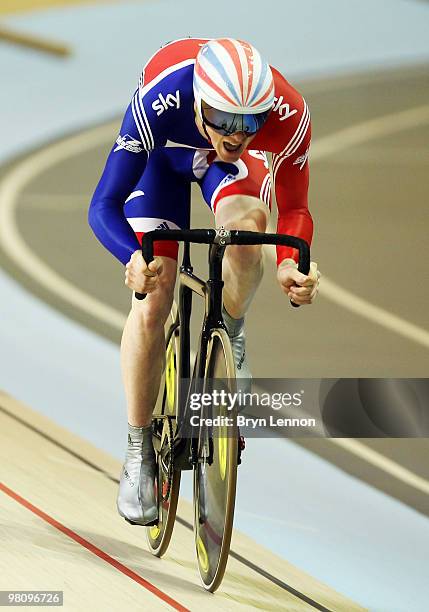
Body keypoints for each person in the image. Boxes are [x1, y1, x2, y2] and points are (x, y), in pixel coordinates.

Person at [88, 37, 320, 526]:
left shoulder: (286, 113)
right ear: (199, 101)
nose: (237, 135)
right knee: (153, 297)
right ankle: (137, 451)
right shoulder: (160, 99)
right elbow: (103, 206)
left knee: (247, 232)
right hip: (162, 162)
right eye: (224, 120)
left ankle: (229, 337)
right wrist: (132, 257)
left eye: (249, 123)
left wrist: (288, 263)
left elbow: (294, 210)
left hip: (223, 175)